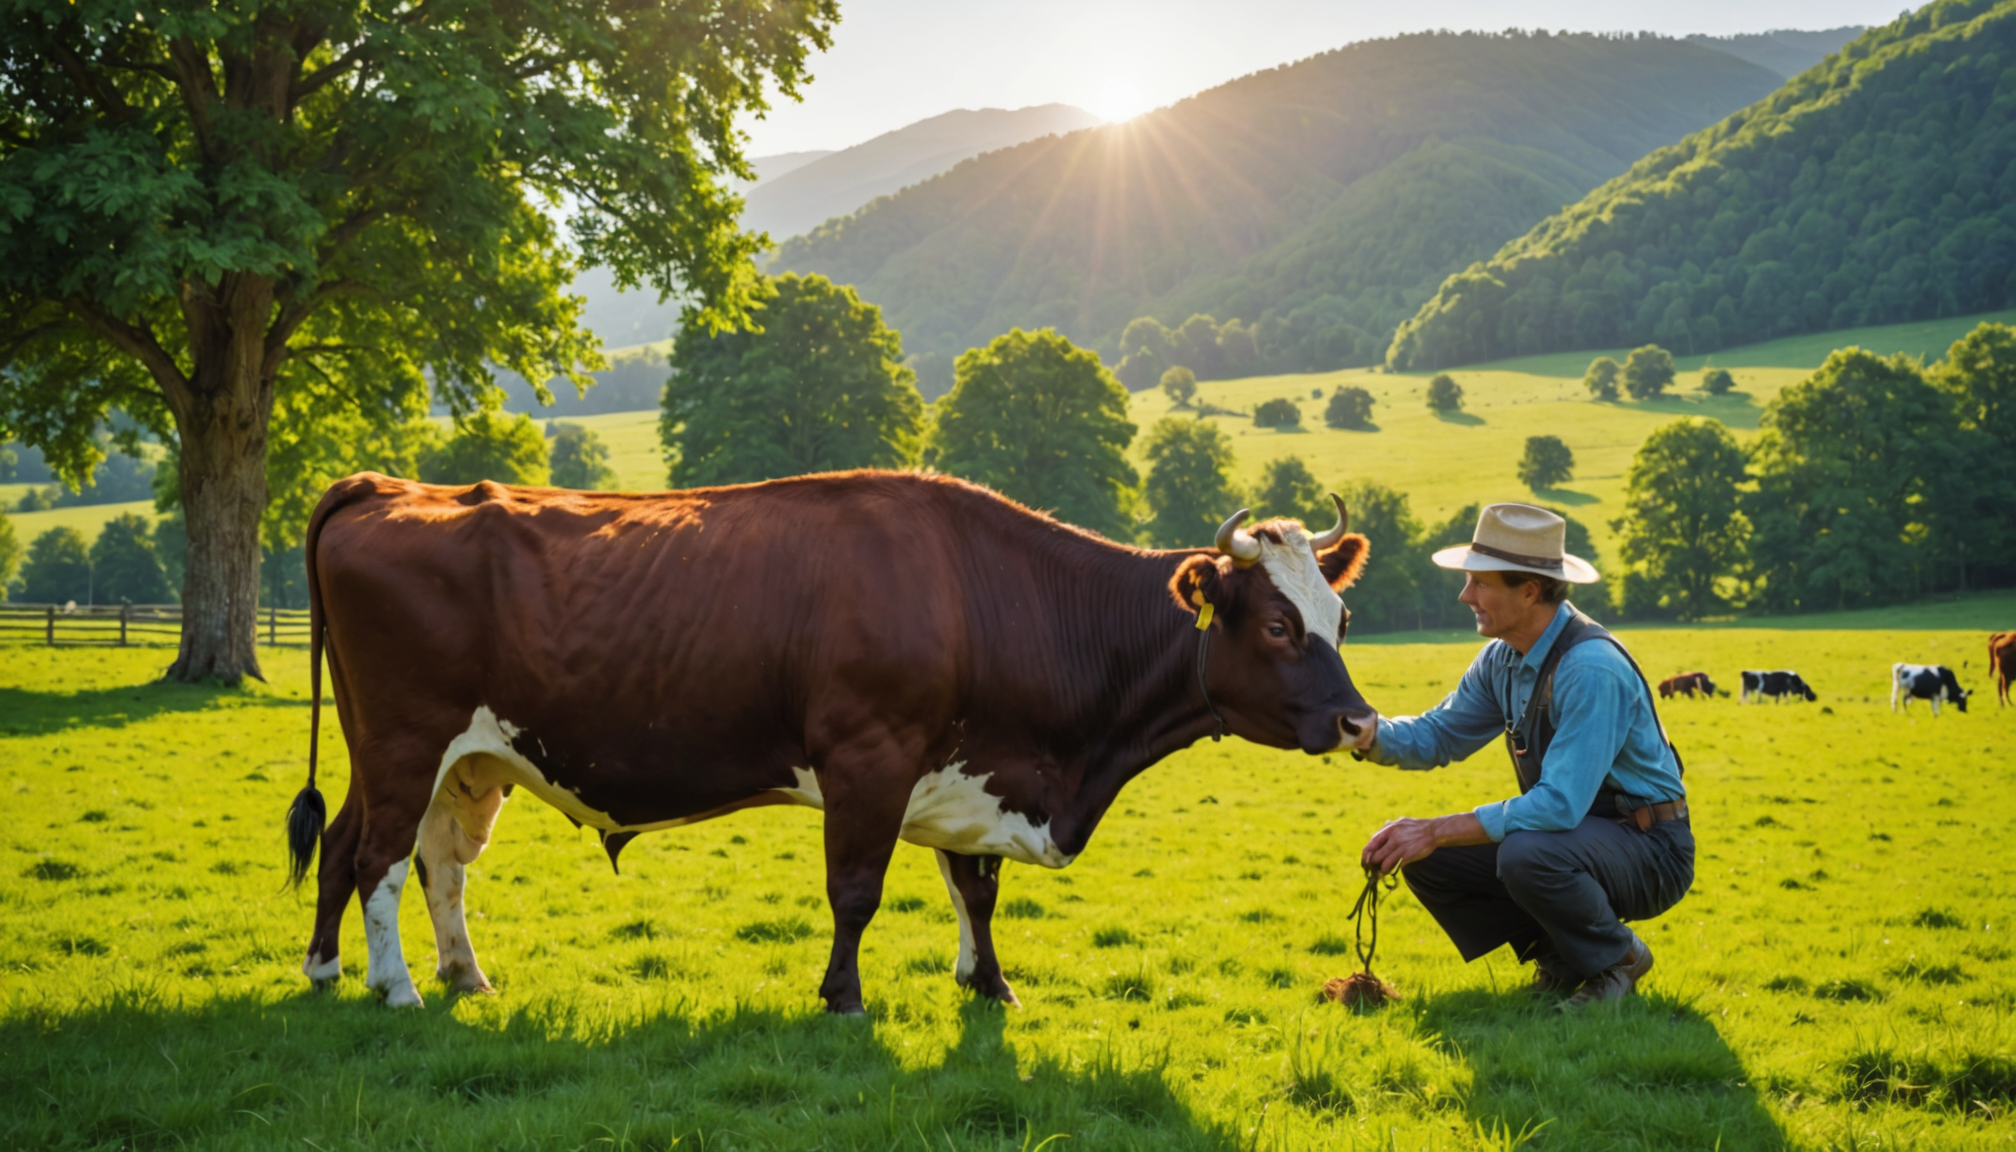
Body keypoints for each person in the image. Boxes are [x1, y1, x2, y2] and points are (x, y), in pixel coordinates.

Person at [1350, 503, 1692, 1010]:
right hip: (1577, 838)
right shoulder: (1503, 658)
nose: (1465, 595)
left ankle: (1615, 960)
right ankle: (1560, 960)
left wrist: (1437, 826)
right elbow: (1440, 734)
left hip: (1648, 847)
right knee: (1429, 857)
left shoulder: (1591, 668)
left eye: (1480, 584)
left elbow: (1558, 806)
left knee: (1525, 854)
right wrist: (1363, 733)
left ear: (1529, 591)